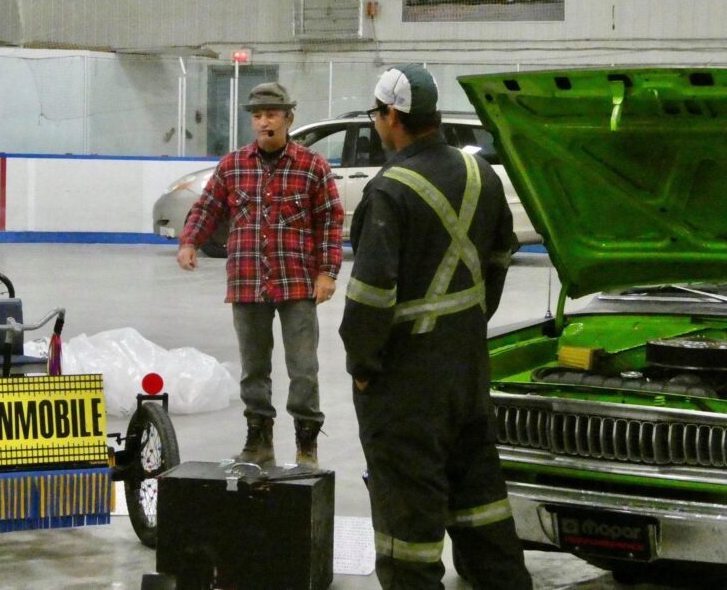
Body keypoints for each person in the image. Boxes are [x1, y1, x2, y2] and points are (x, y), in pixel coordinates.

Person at [339, 65, 532, 588]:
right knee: (481, 507)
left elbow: (370, 297)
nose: (378, 125)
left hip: (407, 383)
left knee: (409, 528)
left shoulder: (390, 191)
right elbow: (498, 259)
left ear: (392, 116)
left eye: (378, 116)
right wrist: (464, 325)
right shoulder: (482, 175)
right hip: (466, 369)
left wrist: (362, 365)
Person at [178, 82, 343, 468]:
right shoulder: (233, 166)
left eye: (271, 114)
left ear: (288, 118)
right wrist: (189, 242)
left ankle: (307, 447)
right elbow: (208, 208)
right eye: (257, 116)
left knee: (303, 369)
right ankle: (259, 443)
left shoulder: (312, 166)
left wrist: (327, 272)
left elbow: (331, 222)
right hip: (247, 281)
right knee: (254, 369)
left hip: (298, 282)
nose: (263, 122)